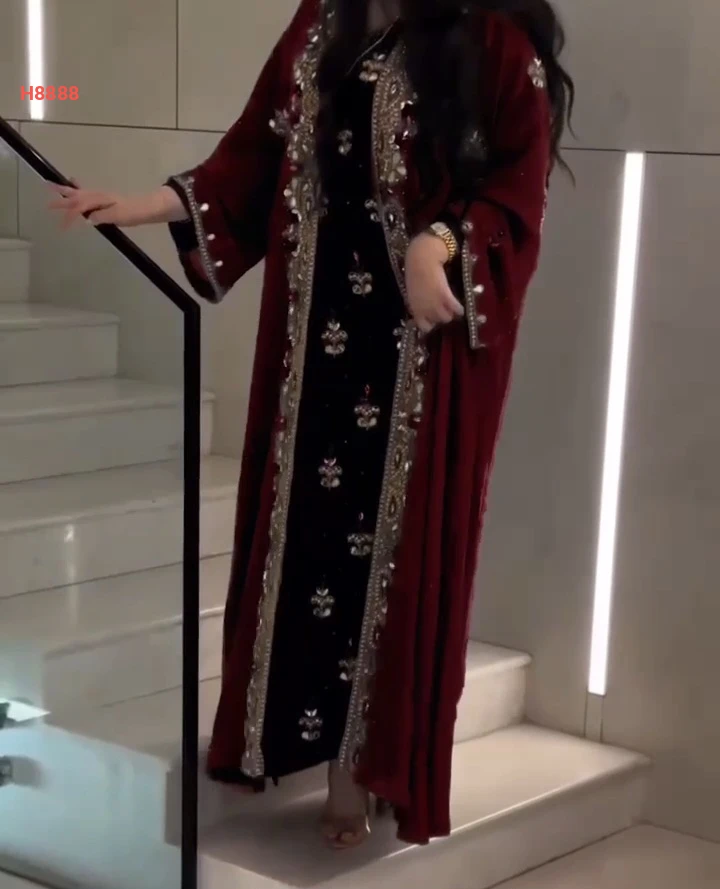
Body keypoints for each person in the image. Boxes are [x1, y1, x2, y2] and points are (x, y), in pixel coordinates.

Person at [50, 0, 573, 850]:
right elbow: (256, 152)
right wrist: (145, 203)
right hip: (315, 340)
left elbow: (518, 190)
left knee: (387, 555)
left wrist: (440, 244)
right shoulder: (324, 19)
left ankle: (354, 769)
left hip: (414, 351)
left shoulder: (492, 44)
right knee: (308, 543)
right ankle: (294, 738)